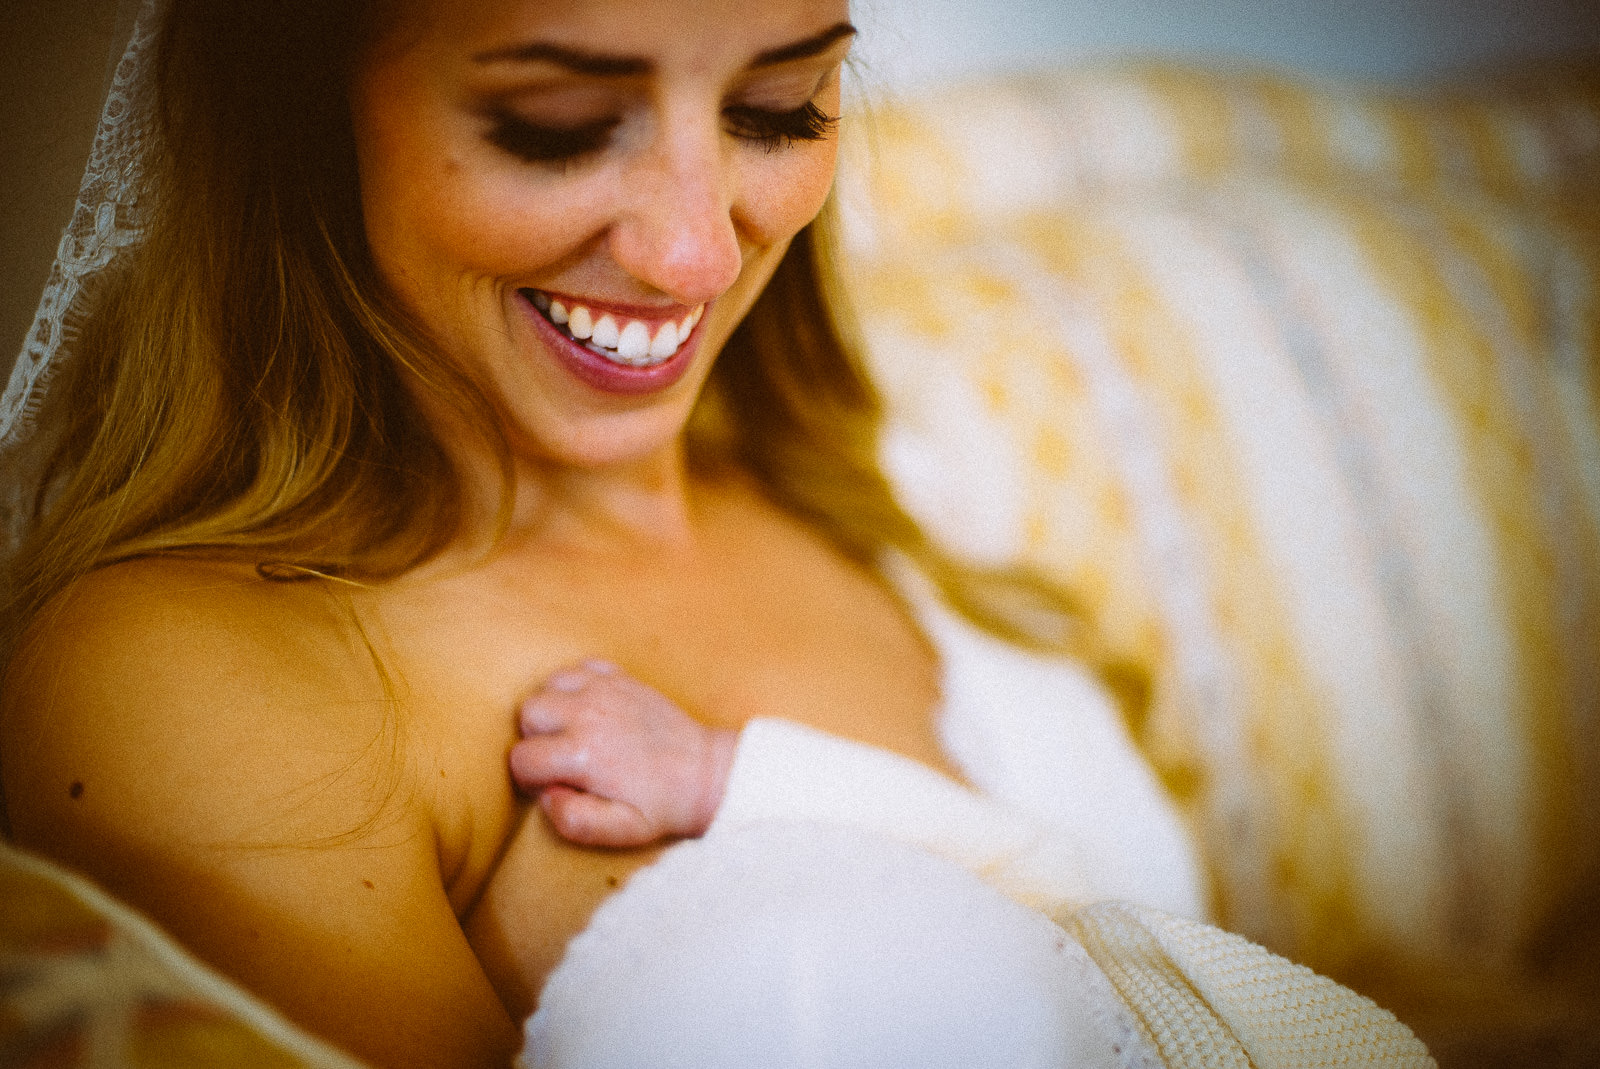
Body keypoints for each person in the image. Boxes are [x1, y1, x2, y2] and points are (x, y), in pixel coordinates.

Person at [0, 0, 1432, 1066]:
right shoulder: (192, 679)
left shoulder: (868, 476)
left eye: (780, 109)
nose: (696, 251)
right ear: (303, 99)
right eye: (555, 125)